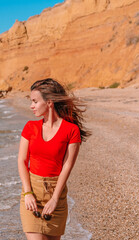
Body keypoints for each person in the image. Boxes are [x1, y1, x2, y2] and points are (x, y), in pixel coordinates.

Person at [18, 78, 91, 240]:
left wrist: (55, 199)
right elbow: (22, 161)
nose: (31, 106)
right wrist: (28, 193)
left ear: (49, 102)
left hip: (56, 194)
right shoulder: (30, 127)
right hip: (32, 195)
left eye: (35, 101)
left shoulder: (71, 131)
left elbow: (67, 166)